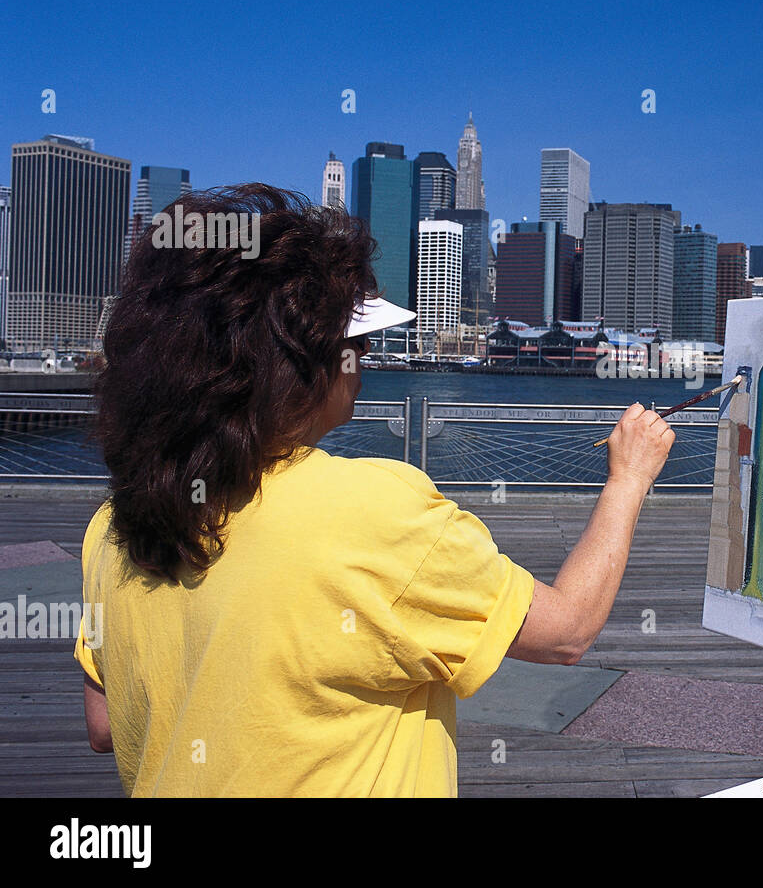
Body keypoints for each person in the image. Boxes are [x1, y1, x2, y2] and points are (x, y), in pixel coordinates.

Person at [74, 184, 674, 796]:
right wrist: (629, 478)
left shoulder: (113, 524)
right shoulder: (374, 512)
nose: (364, 356)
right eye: (354, 342)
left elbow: (104, 725)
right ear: (295, 365)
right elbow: (566, 632)